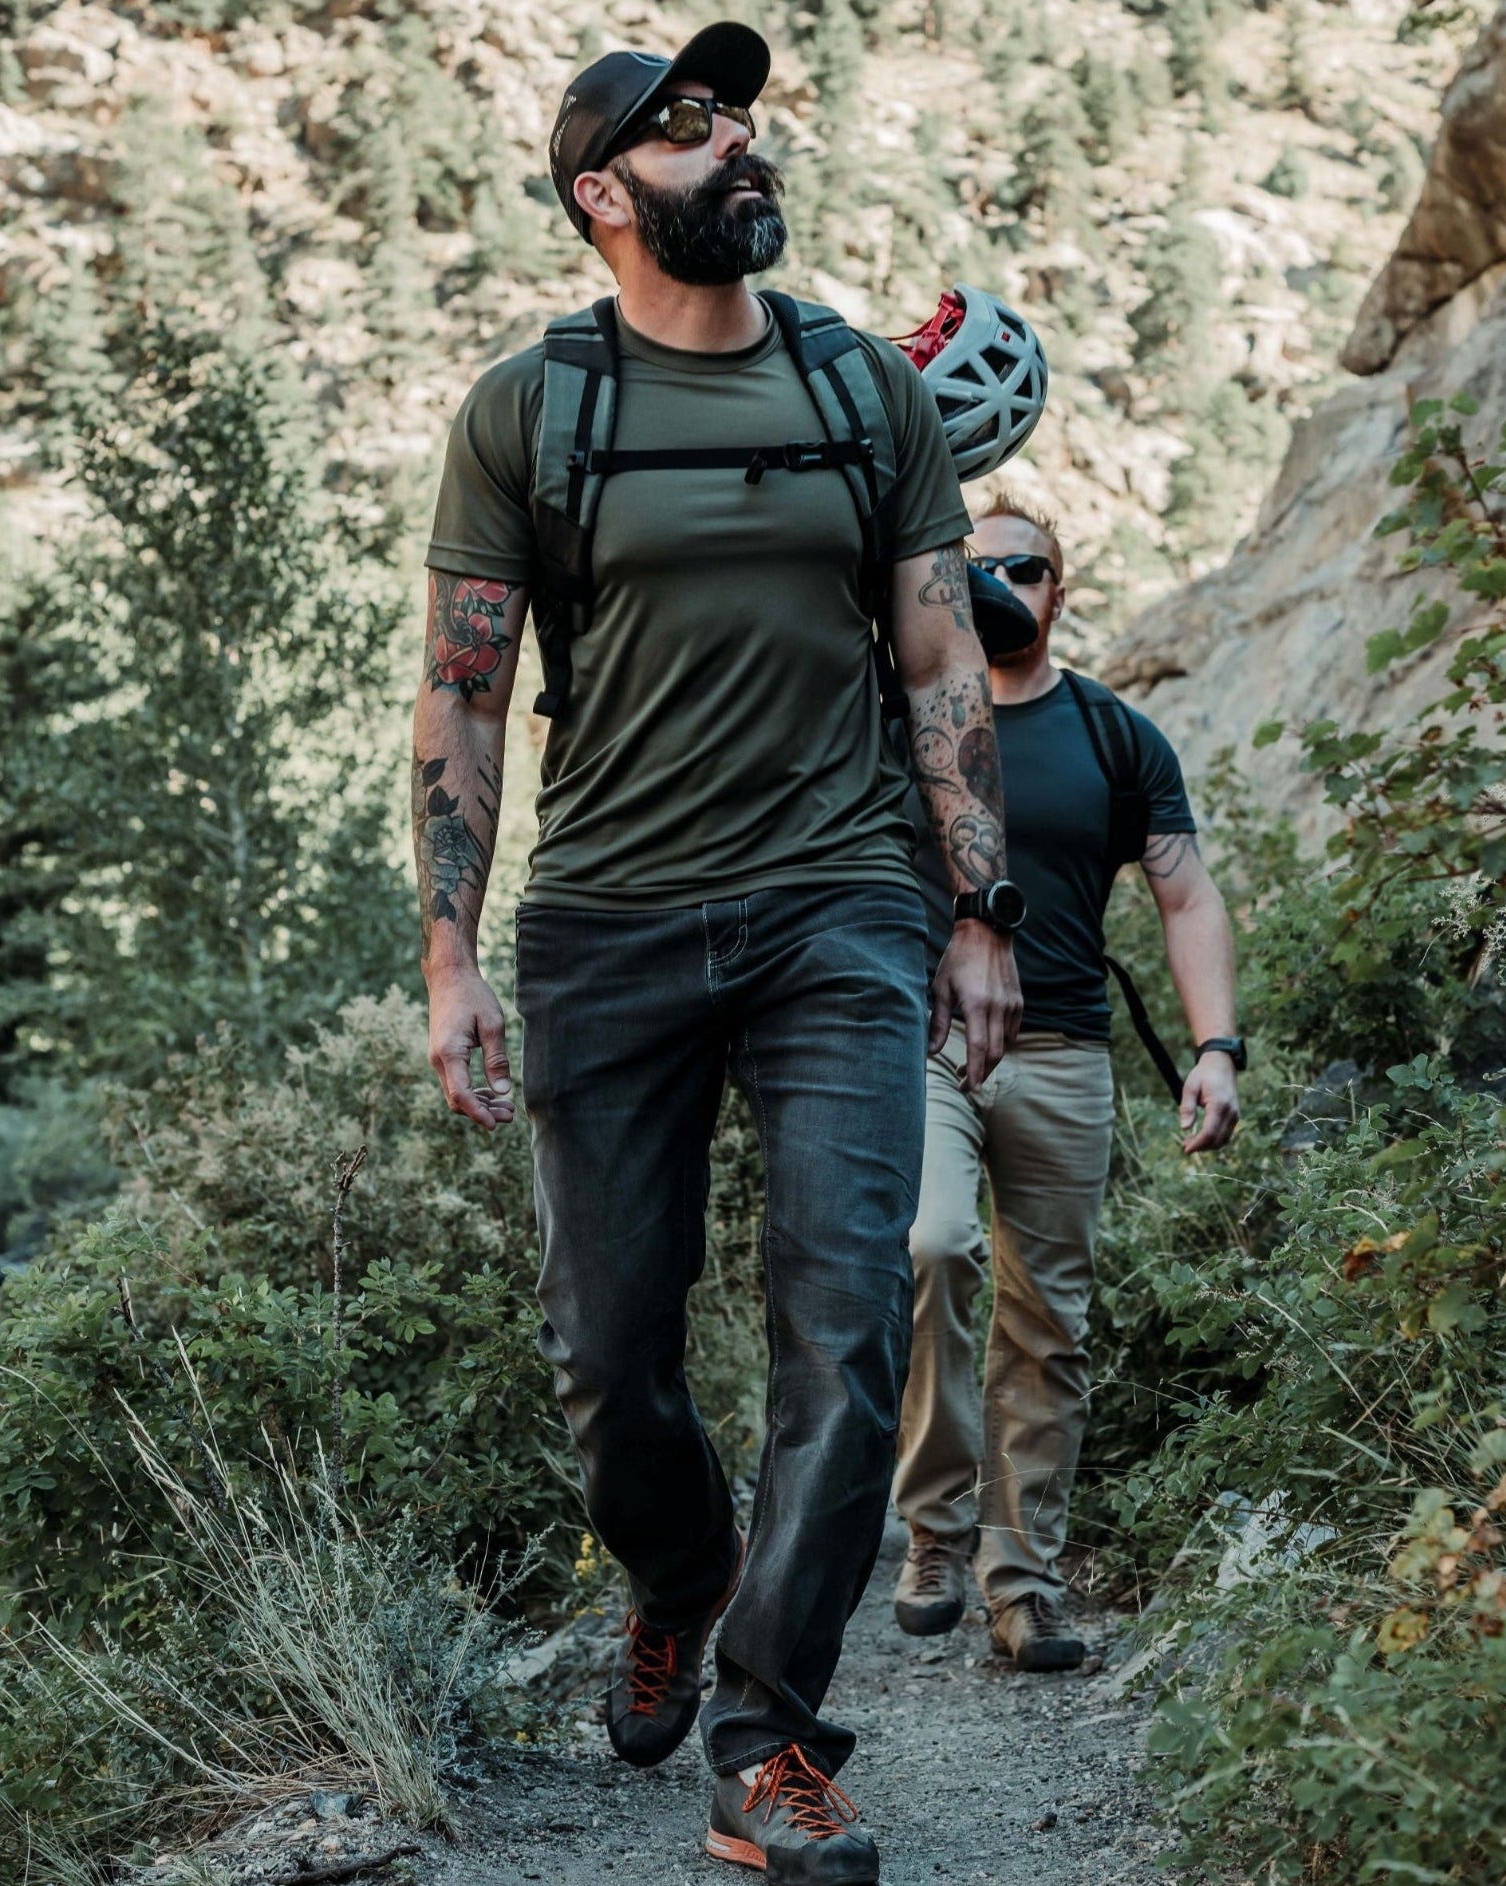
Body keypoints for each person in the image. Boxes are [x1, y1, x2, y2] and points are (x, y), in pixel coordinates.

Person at [413, 24, 1026, 1884]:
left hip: (838, 909)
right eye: (685, 128)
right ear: (602, 195)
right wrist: (451, 955)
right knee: (608, 1354)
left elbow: (939, 669)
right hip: (604, 920)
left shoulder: (862, 393)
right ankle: (679, 1576)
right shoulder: (532, 412)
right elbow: (461, 704)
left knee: (851, 1326)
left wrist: (976, 908)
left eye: (737, 113)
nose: (733, 141)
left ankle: (766, 1741)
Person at [891, 498, 1243, 1673]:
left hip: (1064, 1053)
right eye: (972, 568)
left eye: (1022, 567)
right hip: (928, 1044)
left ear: (1060, 585)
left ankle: (1021, 1583)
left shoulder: (1113, 734)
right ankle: (932, 1532)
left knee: (1048, 1325)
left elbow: (1183, 895)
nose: (998, 585)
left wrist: (1213, 1047)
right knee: (934, 1242)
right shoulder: (906, 719)